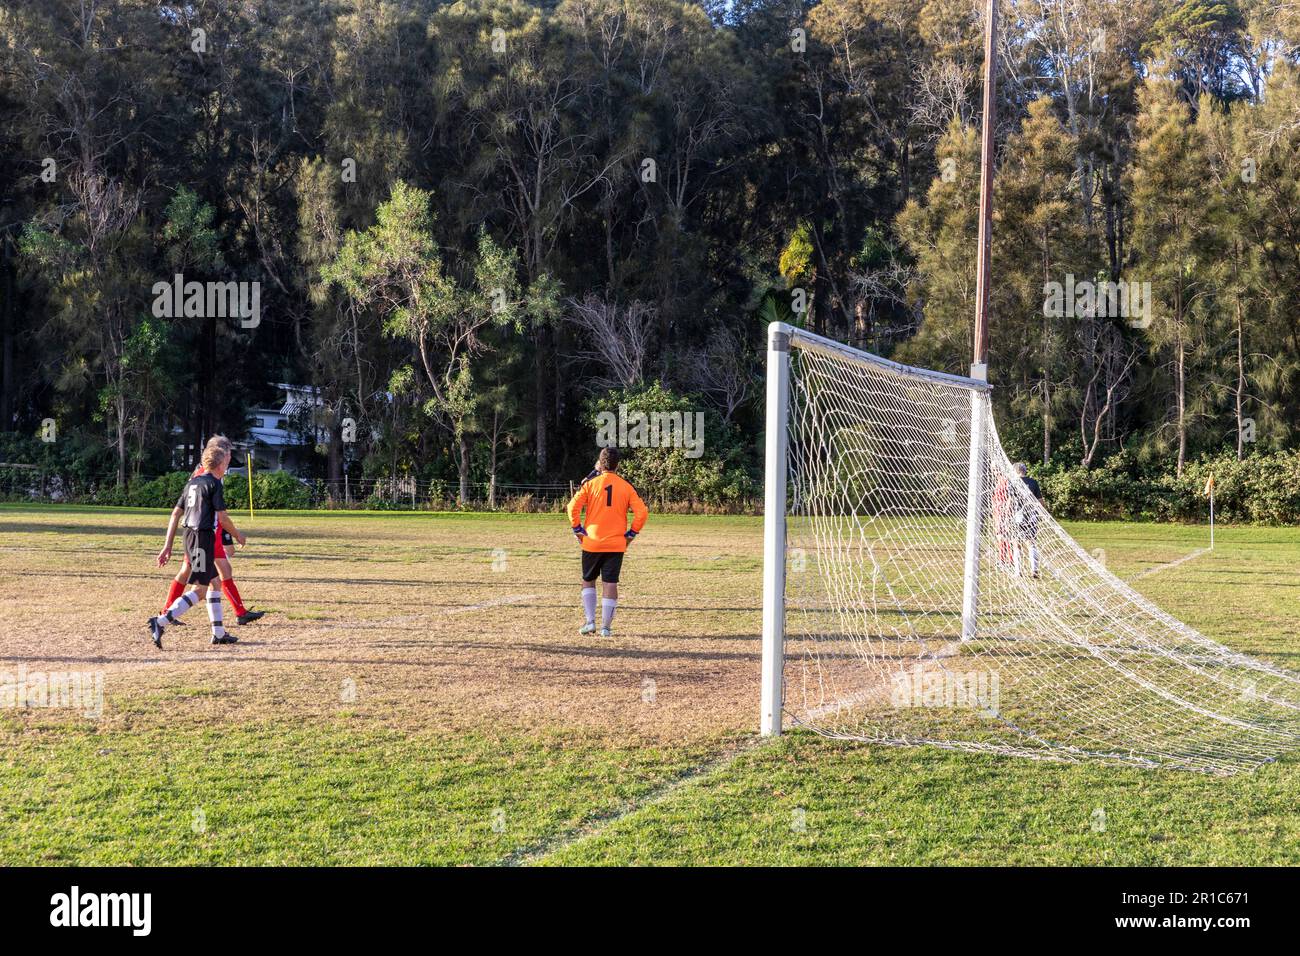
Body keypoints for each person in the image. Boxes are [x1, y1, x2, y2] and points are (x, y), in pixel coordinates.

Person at [158, 435, 265, 626]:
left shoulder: (203, 475)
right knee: (203, 583)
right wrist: (234, 534)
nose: (230, 457)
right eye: (228, 454)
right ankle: (166, 616)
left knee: (214, 573)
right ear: (220, 455)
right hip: (204, 533)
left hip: (200, 532)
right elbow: (208, 514)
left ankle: (232, 618)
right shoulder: (207, 478)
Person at [148, 444, 247, 648]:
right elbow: (223, 518)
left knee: (215, 584)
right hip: (202, 538)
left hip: (192, 537)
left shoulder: (193, 483)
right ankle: (160, 622)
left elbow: (176, 513)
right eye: (226, 463)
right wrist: (238, 535)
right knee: (201, 590)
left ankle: (218, 633)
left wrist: (167, 546)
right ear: (219, 464)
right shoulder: (214, 484)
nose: (227, 466)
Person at [566, 447, 648, 637]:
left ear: (600, 464)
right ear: (618, 465)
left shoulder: (590, 484)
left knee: (588, 581)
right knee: (610, 583)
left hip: (591, 541)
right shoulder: (626, 486)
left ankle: (590, 622)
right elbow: (642, 513)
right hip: (617, 543)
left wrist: (578, 530)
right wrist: (631, 534)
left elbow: (572, 508)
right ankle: (606, 628)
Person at [1014, 462, 1043, 579]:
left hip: (1019, 516)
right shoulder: (1033, 482)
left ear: (1016, 471)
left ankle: (1018, 571)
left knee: (1017, 543)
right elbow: (1040, 500)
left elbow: (1011, 500)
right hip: (1031, 516)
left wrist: (1006, 512)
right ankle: (1034, 570)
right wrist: (1043, 513)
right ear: (1025, 471)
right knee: (1031, 543)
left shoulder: (1014, 482)